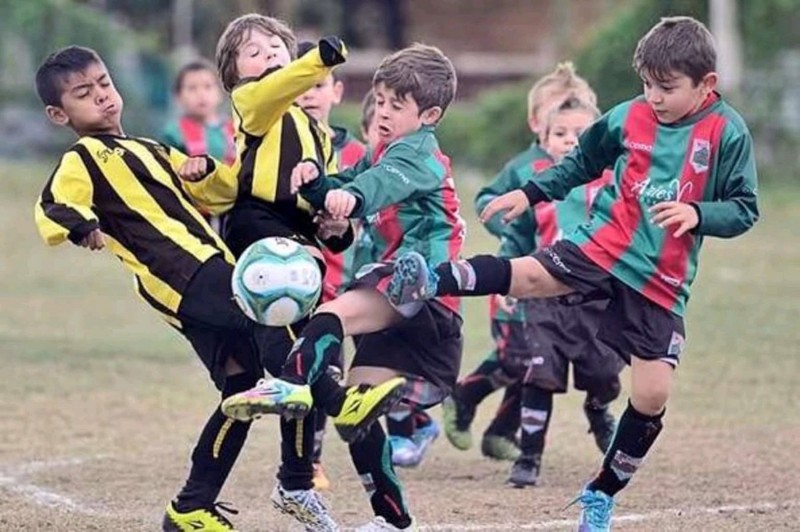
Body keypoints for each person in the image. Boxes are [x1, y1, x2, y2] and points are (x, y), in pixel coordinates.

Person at [387, 16, 759, 531]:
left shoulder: (727, 132)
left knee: (652, 396)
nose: (652, 96)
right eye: (646, 84)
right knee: (532, 275)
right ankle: (430, 278)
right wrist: (529, 192)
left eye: (667, 87)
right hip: (604, 243)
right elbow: (579, 165)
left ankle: (601, 493)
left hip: (659, 280)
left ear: (707, 85)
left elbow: (744, 208)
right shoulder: (627, 118)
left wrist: (699, 214)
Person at [31, 45, 312, 532]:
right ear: (59, 114)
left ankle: (191, 507)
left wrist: (201, 170)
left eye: (103, 84)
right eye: (83, 94)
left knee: (241, 389)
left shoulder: (153, 149)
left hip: (205, 271)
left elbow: (221, 192)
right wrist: (81, 226)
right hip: (184, 273)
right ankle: (316, 416)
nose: (101, 96)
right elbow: (54, 202)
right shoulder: (84, 155)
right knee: (282, 324)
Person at [176, 14, 405, 529]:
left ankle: (298, 481)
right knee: (293, 353)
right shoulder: (252, 105)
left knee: (311, 360)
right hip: (258, 230)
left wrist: (334, 221)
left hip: (301, 245)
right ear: (233, 75)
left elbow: (332, 228)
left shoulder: (318, 136)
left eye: (276, 46)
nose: (269, 55)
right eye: (253, 52)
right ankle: (328, 400)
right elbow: (278, 89)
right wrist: (317, 57)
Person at [223, 43, 464, 531]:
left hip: (421, 286)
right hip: (394, 289)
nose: (383, 112)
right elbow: (349, 180)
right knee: (358, 416)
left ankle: (288, 385)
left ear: (430, 114)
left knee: (330, 316)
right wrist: (316, 182)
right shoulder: (384, 148)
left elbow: (373, 188)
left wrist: (345, 196)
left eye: (398, 105)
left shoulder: (418, 157)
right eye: (379, 100)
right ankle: (394, 521)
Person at [448, 63, 599, 462]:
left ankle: (500, 431)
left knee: (538, 360)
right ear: (538, 121)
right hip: (520, 280)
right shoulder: (525, 168)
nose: (566, 130)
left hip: (562, 287)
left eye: (576, 118)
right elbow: (487, 199)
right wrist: (510, 224)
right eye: (557, 120)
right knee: (521, 356)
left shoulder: (590, 170)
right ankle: (465, 395)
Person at [496, 97, 624, 488]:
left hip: (596, 298)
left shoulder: (617, 183)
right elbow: (515, 238)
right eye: (560, 133)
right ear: (545, 139)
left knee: (603, 372)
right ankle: (529, 456)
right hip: (543, 298)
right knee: (540, 374)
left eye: (581, 134)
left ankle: (598, 406)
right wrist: (507, 278)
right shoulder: (537, 190)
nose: (570, 141)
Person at [294, 40, 369, 489]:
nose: (308, 93)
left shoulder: (358, 155)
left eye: (317, 84)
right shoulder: (275, 149)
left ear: (336, 92)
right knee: (304, 370)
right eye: (300, 84)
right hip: (289, 281)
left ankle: (313, 458)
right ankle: (303, 460)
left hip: (340, 283)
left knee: (331, 368)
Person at [162, 59, 236, 232]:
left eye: (208, 87)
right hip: (194, 214)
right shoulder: (174, 133)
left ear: (220, 92)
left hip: (234, 210)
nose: (201, 94)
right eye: (192, 88)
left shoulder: (235, 129)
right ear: (178, 96)